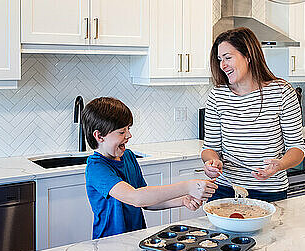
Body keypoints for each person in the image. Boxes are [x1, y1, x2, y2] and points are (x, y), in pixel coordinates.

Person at [82, 97, 217, 239]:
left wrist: (182, 200)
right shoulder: (97, 168)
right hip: (108, 243)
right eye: (122, 132)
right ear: (99, 136)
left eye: (128, 129)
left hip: (135, 237)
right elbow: (136, 198)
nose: (129, 135)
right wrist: (187, 186)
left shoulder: (128, 157)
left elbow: (146, 202)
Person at [201, 27, 305, 202]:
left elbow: (297, 148)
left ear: (248, 56)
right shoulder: (217, 95)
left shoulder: (282, 92)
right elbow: (210, 148)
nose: (222, 65)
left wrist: (281, 165)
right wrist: (212, 162)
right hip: (225, 189)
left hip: (269, 192)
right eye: (220, 59)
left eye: (228, 58)